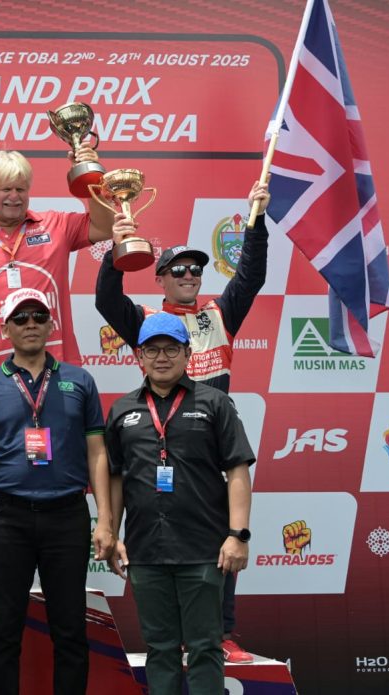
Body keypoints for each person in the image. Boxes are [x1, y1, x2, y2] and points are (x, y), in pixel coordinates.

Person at [94, 181, 269, 661]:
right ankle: (172, 639)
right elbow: (107, 300)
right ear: (161, 279)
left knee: (224, 536)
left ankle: (222, 634)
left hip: (211, 443)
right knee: (164, 544)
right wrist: (115, 249)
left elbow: (251, 276)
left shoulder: (220, 313)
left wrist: (256, 222)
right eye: (178, 269)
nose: (189, 276)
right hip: (160, 444)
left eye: (196, 269)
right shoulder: (148, 321)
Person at [0, 288, 115, 695]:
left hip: (66, 517)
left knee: (71, 631)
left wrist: (105, 520)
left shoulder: (80, 381)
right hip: (4, 519)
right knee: (3, 631)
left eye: (38, 317)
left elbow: (97, 453)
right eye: (20, 318)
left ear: (51, 324)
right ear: (5, 328)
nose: (30, 324)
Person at [104, 313, 254, 694]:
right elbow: (116, 477)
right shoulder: (122, 410)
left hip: (204, 551)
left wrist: (238, 535)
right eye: (152, 350)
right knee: (160, 649)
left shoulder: (215, 403)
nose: (162, 357)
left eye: (171, 349)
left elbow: (237, 470)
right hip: (145, 553)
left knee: (205, 648)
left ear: (188, 354)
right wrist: (112, 533)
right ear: (139, 356)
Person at [0, 148, 134, 374]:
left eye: (21, 189)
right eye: (6, 189)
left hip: (59, 370)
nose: (14, 196)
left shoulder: (56, 226)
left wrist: (89, 175)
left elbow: (104, 228)